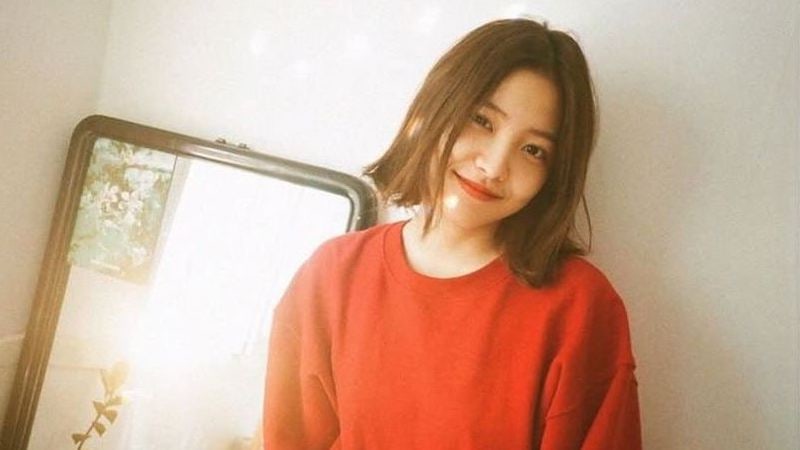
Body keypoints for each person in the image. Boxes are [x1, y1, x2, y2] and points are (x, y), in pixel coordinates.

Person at [262, 18, 641, 449]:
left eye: (533, 150)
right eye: (482, 120)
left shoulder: (580, 307)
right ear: (436, 107)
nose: (494, 166)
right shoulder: (333, 273)